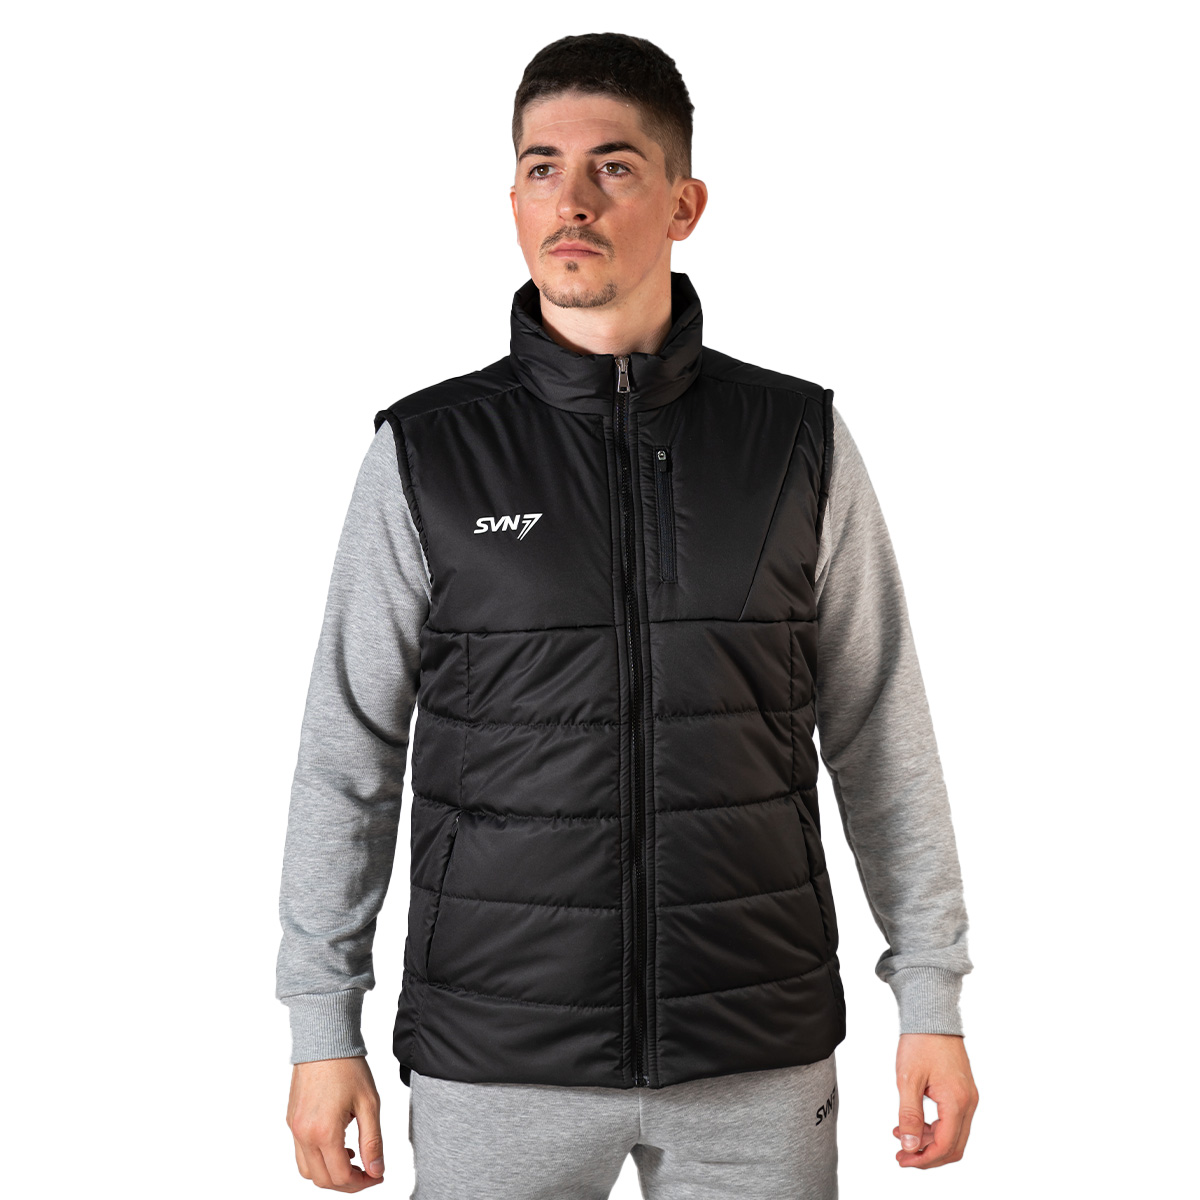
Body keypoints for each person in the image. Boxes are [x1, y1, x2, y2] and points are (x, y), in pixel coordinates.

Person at [276, 31, 977, 1197]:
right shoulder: (428, 454)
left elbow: (879, 734)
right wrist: (320, 1024)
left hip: (755, 1051)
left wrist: (932, 996)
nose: (573, 200)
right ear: (512, 200)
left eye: (613, 166)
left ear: (684, 203)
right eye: (542, 168)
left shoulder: (794, 443)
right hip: (497, 1052)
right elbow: (344, 756)